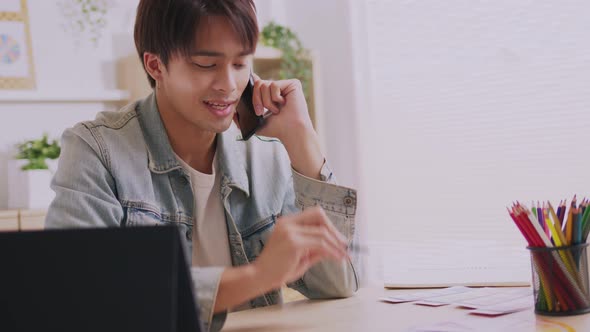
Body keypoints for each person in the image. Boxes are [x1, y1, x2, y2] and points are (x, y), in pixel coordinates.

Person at [45, 0, 359, 330]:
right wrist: (256, 276)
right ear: (155, 66)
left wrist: (303, 144)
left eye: (240, 63)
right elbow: (77, 291)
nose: (228, 85)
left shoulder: (265, 154)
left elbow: (336, 285)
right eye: (206, 65)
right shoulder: (97, 151)